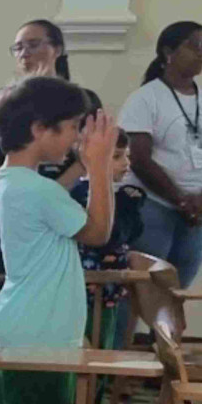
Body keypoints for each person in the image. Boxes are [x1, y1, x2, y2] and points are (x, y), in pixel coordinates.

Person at [0, 77, 116, 404]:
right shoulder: (32, 188)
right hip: (38, 329)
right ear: (40, 129)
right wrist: (98, 165)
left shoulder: (18, 181)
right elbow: (97, 231)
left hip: (34, 323)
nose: (76, 138)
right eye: (72, 127)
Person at [120, 21, 202, 288]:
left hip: (201, 211)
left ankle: (167, 323)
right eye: (194, 46)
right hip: (153, 205)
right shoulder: (145, 98)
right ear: (168, 52)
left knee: (177, 289)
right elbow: (138, 158)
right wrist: (180, 200)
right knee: (144, 288)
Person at [0, 20, 70, 310]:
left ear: (57, 49)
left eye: (33, 45)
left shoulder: (78, 99)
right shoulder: (0, 98)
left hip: (63, 198)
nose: (25, 53)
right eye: (18, 47)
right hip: (6, 199)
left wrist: (49, 194)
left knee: (54, 291)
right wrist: (16, 190)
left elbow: (88, 155)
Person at [73, 132, 145, 349]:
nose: (126, 163)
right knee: (89, 342)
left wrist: (133, 207)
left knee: (106, 338)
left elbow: (133, 233)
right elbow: (111, 235)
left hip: (110, 287)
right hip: (88, 287)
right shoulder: (82, 194)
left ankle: (103, 372)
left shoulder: (121, 194)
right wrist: (126, 204)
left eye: (127, 156)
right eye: (116, 156)